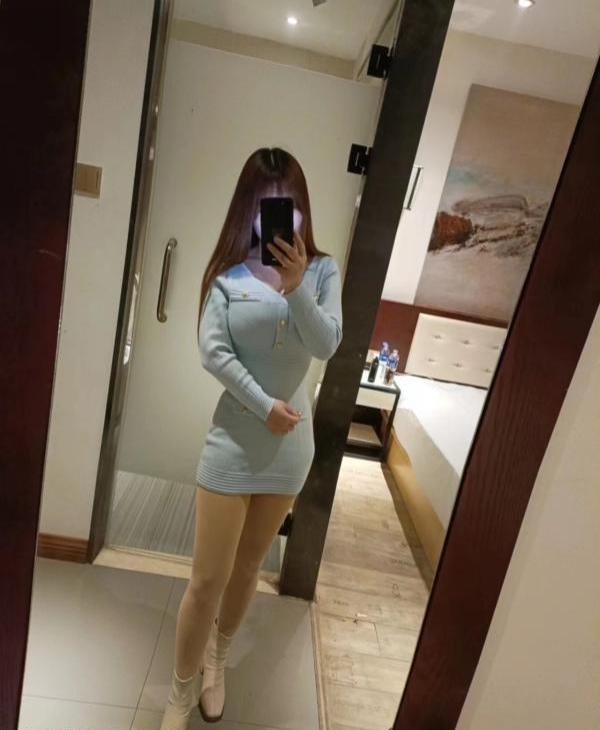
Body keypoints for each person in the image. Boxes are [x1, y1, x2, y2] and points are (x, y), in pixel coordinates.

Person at [160, 147, 343, 729]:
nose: (276, 216)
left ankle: (217, 662)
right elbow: (213, 352)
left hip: (290, 452)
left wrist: (297, 287)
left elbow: (327, 344)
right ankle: (178, 693)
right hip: (234, 443)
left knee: (247, 570)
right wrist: (264, 407)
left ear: (301, 207)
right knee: (206, 579)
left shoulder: (321, 272)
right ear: (248, 207)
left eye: (285, 203)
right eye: (265, 204)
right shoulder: (228, 275)